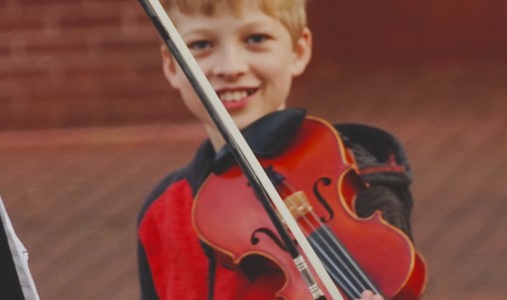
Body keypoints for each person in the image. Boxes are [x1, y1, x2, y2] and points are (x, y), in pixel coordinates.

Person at [136, 0, 419, 299]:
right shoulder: (162, 213)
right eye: (201, 44)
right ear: (171, 64)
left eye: (256, 39)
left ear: (298, 51)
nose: (231, 67)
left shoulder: (359, 185)